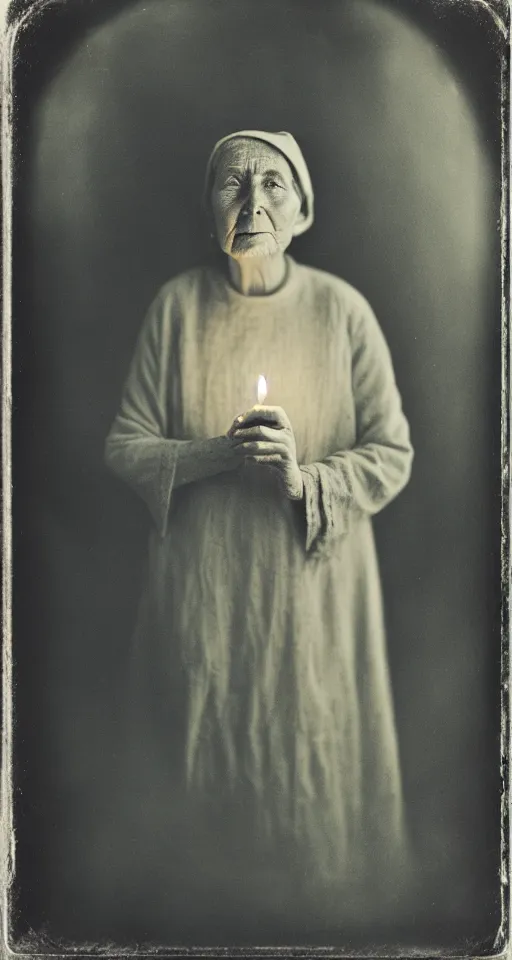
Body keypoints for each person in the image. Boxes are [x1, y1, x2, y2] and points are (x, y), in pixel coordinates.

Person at [104, 130, 414, 939]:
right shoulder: (176, 308)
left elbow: (392, 454)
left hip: (309, 611)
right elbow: (125, 445)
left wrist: (301, 479)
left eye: (273, 186)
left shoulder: (341, 312)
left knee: (305, 784)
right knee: (200, 798)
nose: (253, 204)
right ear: (209, 209)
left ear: (304, 210)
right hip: (204, 603)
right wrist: (216, 453)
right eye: (233, 185)